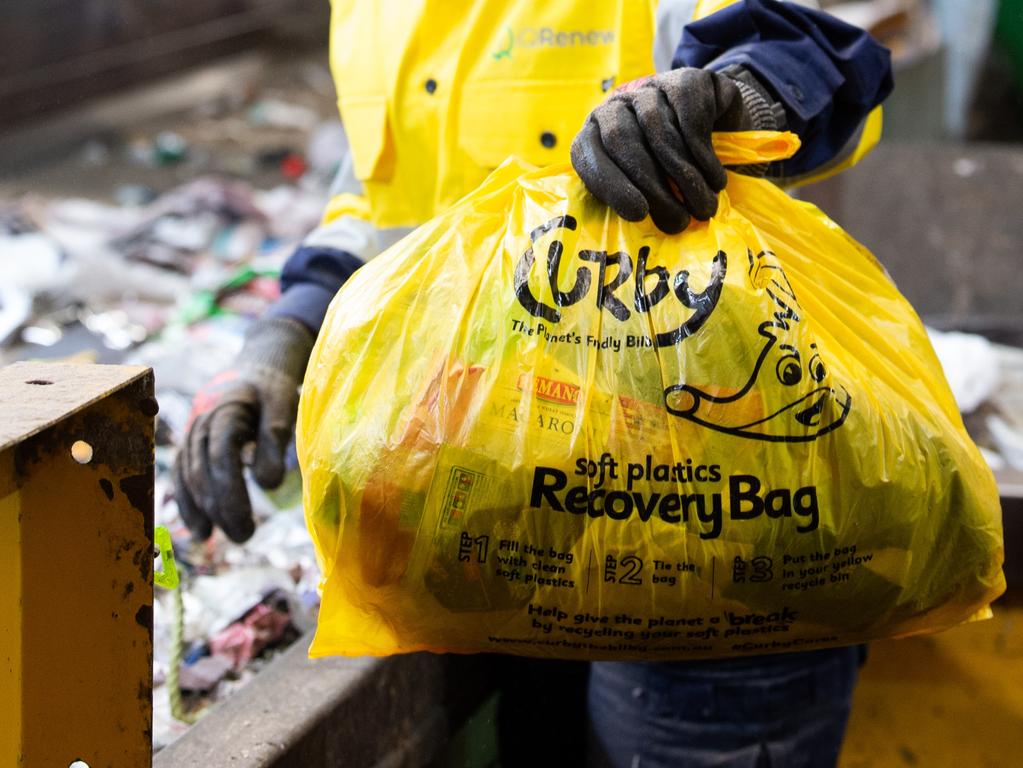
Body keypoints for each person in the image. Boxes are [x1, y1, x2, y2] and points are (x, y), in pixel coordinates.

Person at [173, 1, 893, 766]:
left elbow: (812, 51)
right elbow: (379, 199)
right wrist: (292, 327)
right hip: (497, 511)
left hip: (704, 508)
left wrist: (735, 94)